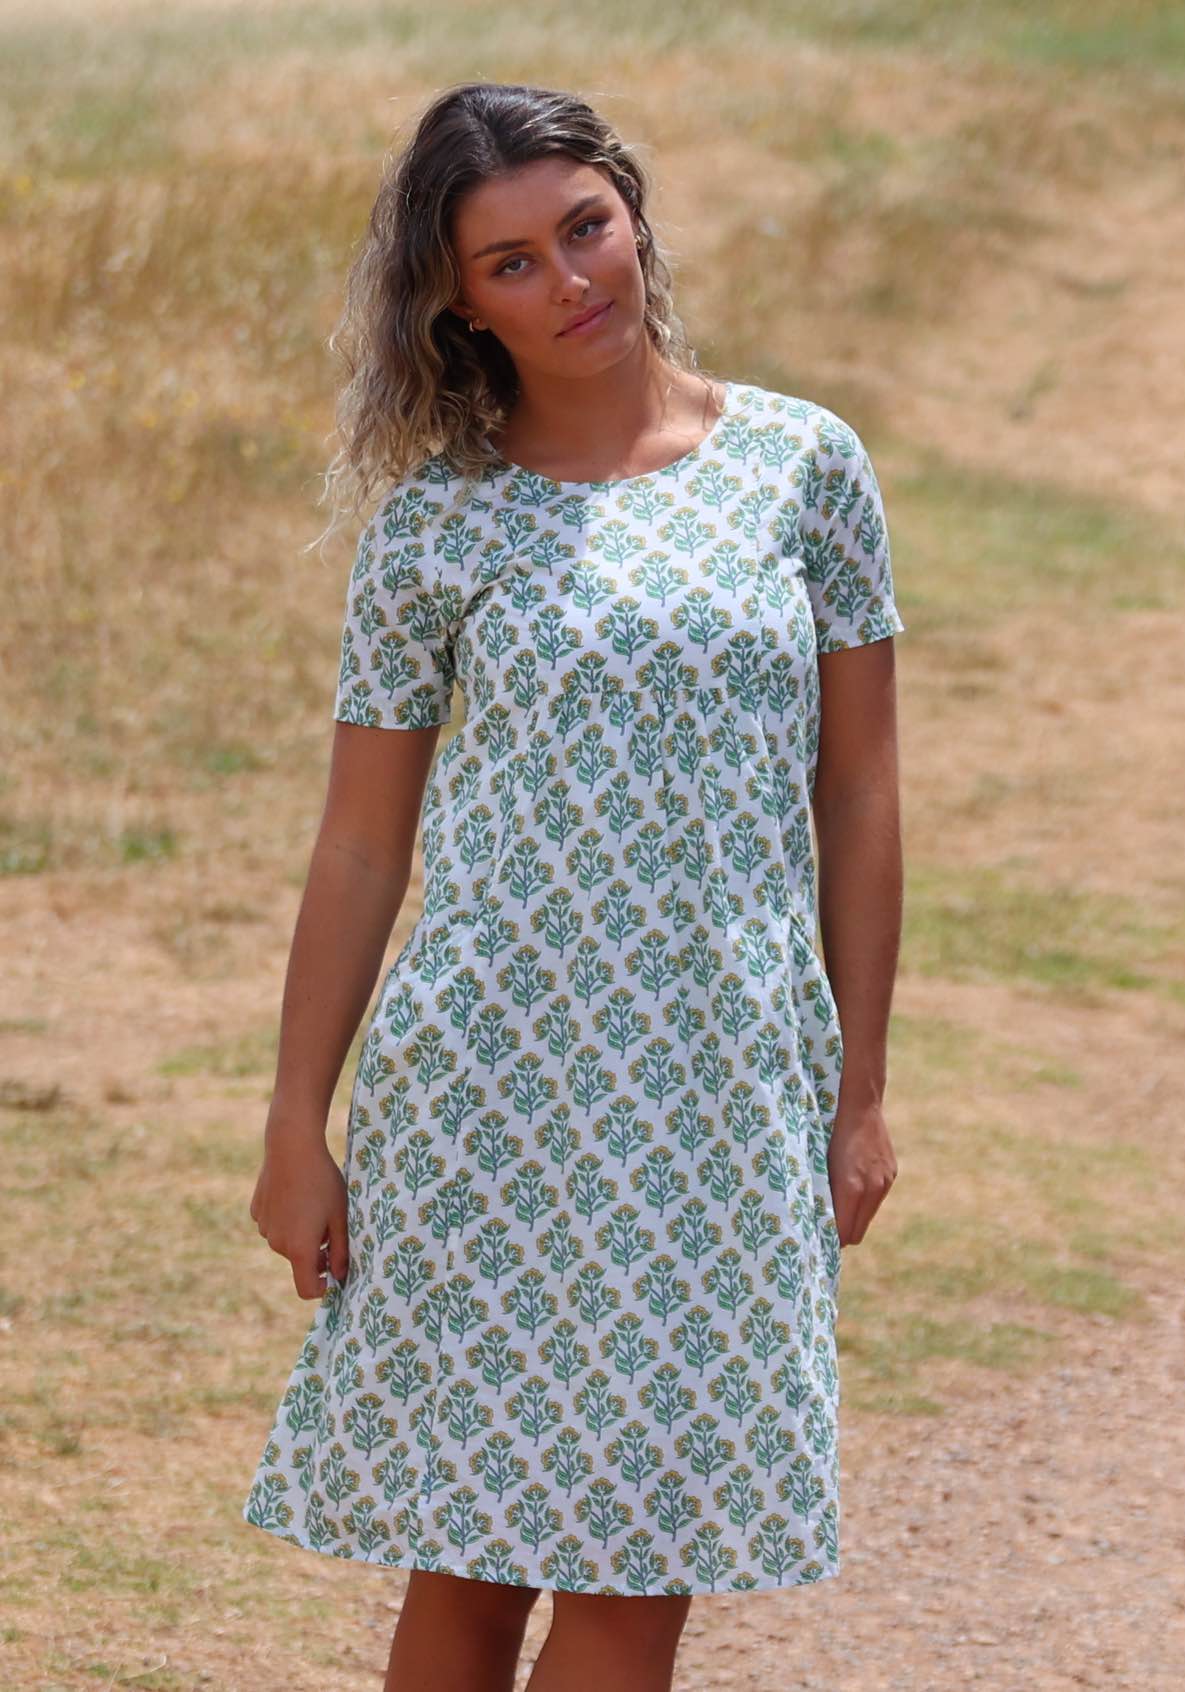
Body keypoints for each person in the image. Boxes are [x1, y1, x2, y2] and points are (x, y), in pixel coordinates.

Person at [243, 79, 903, 1692]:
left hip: (720, 1088)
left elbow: (864, 792)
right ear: (458, 302)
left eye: (583, 228)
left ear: (633, 210)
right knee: (466, 1556)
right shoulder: (437, 528)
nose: (571, 281)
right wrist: (292, 1119)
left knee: (643, 1560)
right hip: (488, 1086)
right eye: (512, 263)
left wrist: (860, 1089)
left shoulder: (805, 470)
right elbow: (359, 841)